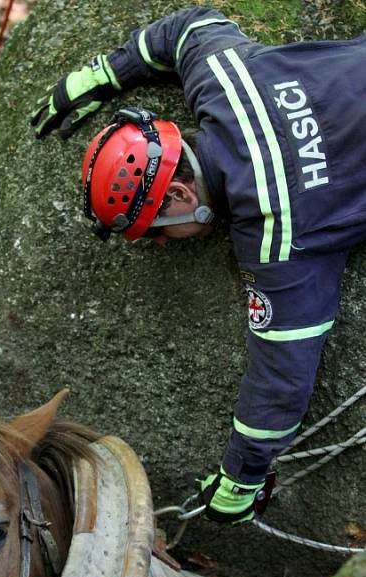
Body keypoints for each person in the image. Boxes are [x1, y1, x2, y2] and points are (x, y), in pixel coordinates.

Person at [30, 7, 366, 525]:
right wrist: (104, 70)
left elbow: (281, 375)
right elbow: (188, 26)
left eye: (156, 230)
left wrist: (243, 476)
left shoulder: (279, 232)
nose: (160, 244)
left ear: (182, 193)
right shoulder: (228, 79)